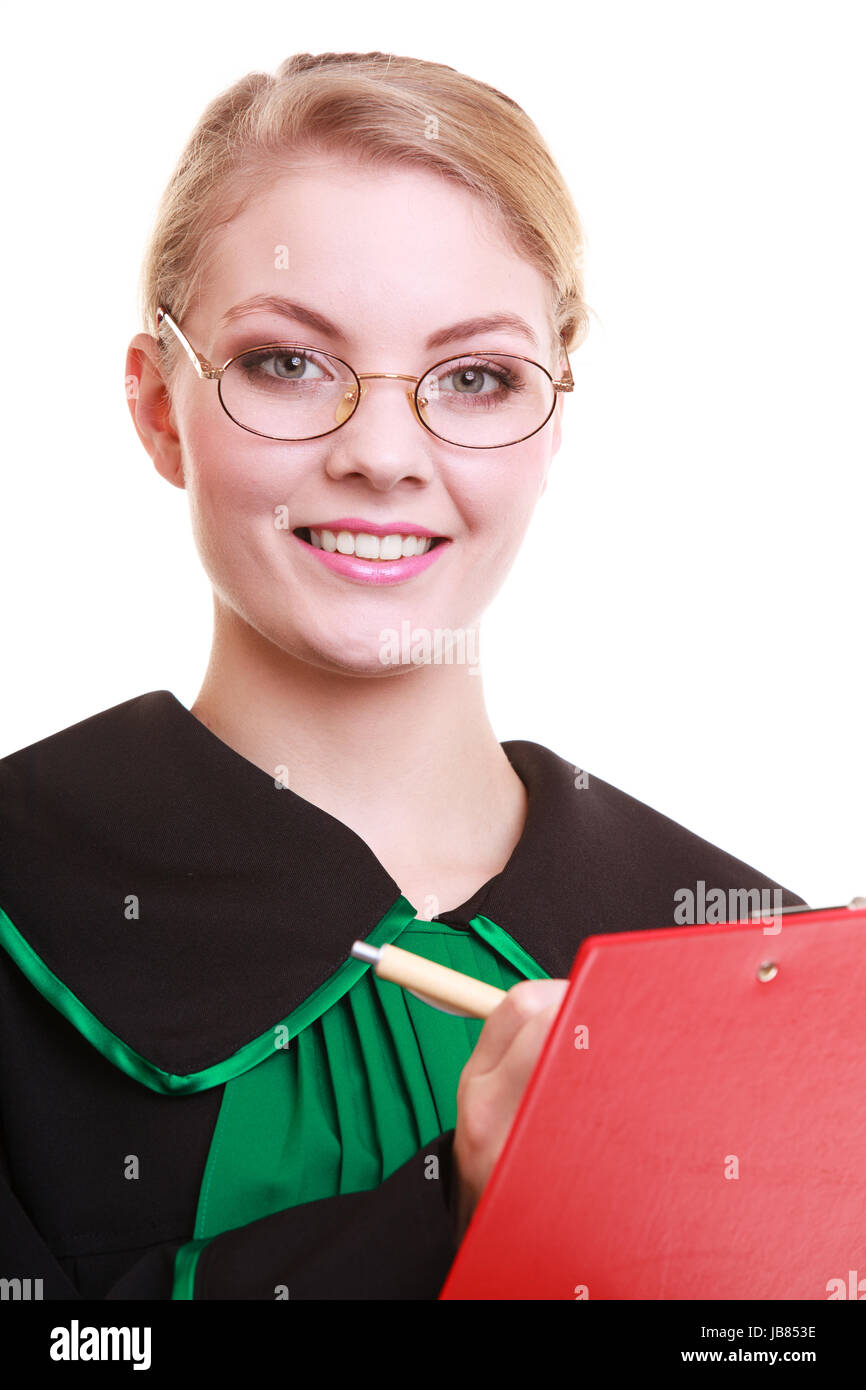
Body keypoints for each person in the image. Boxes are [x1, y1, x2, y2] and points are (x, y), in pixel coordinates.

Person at [0, 51, 805, 1301]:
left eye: (474, 378)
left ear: (551, 422)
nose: (381, 453)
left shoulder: (759, 959)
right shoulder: (23, 897)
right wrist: (449, 1214)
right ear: (159, 407)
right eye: (287, 362)